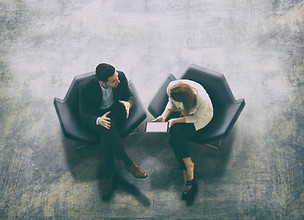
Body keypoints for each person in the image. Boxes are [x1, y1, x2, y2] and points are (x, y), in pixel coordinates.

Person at [79, 63, 147, 199]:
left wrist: (129, 103)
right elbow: (82, 113)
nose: (118, 81)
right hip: (96, 116)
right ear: (102, 82)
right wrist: (98, 120)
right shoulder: (86, 87)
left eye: (117, 77)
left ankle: (108, 175)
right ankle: (129, 164)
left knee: (107, 136)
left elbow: (129, 95)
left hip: (113, 112)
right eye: (114, 80)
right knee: (107, 129)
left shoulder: (120, 76)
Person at [153, 79, 213, 200]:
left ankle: (186, 168)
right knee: (174, 136)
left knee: (174, 137)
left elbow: (196, 117)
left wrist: (175, 120)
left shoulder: (201, 100)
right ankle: (188, 165)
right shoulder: (171, 87)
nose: (172, 100)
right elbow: (171, 101)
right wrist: (164, 116)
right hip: (185, 114)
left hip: (200, 119)